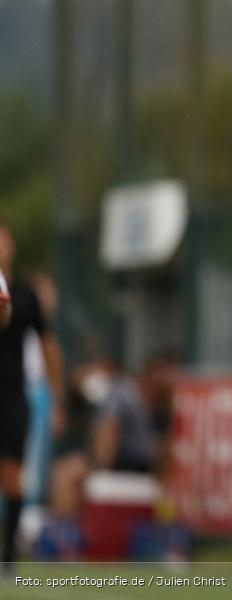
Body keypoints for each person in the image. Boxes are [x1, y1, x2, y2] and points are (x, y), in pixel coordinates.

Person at [0, 222, 65, 575]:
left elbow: (48, 344)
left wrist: (58, 400)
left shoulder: (25, 294)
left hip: (11, 393)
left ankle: (8, 557)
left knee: (12, 474)